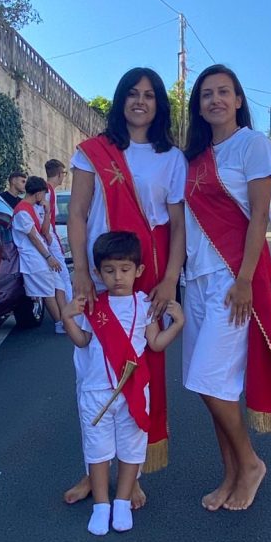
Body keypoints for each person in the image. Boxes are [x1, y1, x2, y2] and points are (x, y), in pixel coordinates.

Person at [64, 67, 187, 507]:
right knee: (92, 373)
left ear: (159, 105)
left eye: (150, 96)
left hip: (144, 273)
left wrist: (170, 278)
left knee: (141, 369)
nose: (141, 102)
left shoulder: (171, 157)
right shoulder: (93, 152)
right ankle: (93, 470)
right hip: (98, 272)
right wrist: (80, 269)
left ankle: (130, 476)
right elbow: (77, 214)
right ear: (120, 100)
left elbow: (176, 224)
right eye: (133, 94)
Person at [183, 64, 271, 512]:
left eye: (224, 92)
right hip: (198, 278)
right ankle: (229, 473)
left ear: (239, 99)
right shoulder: (194, 157)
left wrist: (244, 279)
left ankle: (249, 464)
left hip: (233, 277)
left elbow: (260, 217)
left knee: (208, 378)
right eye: (206, 94)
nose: (215, 100)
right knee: (216, 385)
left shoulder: (253, 145)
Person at [62, 231, 184, 536]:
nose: (118, 277)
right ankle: (101, 505)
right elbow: (83, 341)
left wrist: (178, 324)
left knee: (132, 449)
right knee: (98, 451)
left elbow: (155, 343)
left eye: (125, 269)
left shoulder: (145, 304)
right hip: (95, 391)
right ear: (98, 272)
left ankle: (122, 501)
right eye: (109, 270)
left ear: (138, 270)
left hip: (132, 391)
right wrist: (67, 319)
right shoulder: (93, 305)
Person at [12, 176, 66, 332]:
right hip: (34, 258)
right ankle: (59, 324)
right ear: (38, 193)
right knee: (48, 292)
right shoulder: (22, 211)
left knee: (58, 285)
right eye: (43, 193)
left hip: (41, 254)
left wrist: (48, 211)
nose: (44, 197)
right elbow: (33, 238)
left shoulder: (31, 208)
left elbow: (42, 232)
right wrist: (49, 257)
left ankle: (64, 319)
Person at [43, 158, 73, 305]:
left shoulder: (49, 191)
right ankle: (72, 310)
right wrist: (48, 235)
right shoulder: (48, 191)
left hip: (50, 235)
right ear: (60, 174)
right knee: (64, 275)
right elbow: (44, 215)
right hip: (49, 236)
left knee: (58, 277)